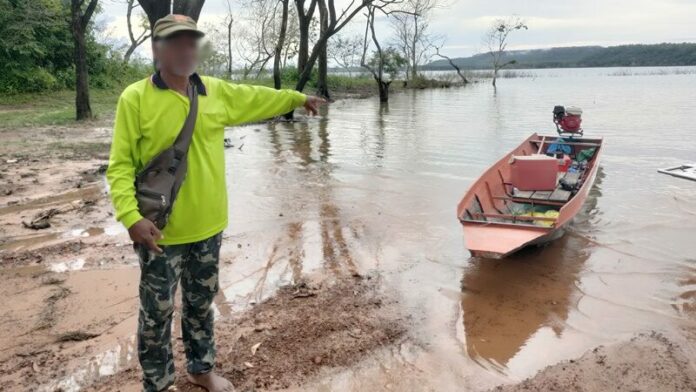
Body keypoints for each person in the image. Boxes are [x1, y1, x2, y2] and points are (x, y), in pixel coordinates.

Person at [106, 14, 325, 392]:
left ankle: (200, 369)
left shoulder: (214, 92)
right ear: (157, 49)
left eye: (191, 42)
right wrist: (130, 217)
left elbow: (257, 97)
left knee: (200, 305)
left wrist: (296, 97)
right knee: (156, 314)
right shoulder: (135, 98)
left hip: (209, 227)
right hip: (160, 231)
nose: (185, 49)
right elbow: (120, 166)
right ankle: (157, 383)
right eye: (175, 42)